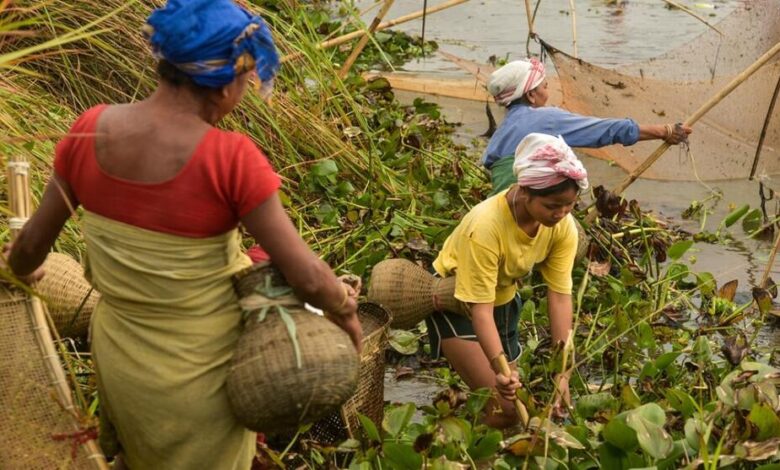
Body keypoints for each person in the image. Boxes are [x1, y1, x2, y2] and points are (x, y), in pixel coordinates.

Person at [4, 1, 361, 468]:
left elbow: (30, 248)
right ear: (226, 81)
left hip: (122, 366)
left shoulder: (89, 130)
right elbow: (308, 277)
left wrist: (16, 270)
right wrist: (345, 308)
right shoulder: (230, 158)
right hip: (201, 377)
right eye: (248, 79)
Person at [426, 133, 587, 428]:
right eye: (552, 205)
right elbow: (480, 311)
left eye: (570, 206)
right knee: (505, 407)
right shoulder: (487, 226)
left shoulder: (564, 227)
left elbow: (560, 296)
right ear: (525, 191)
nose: (561, 214)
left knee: (512, 402)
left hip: (503, 298)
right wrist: (500, 371)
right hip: (456, 302)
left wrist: (562, 373)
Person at [484, 58, 692, 194]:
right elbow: (602, 130)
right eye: (545, 87)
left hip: (499, 207)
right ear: (531, 95)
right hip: (529, 206)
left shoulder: (500, 133)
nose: (548, 92)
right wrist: (664, 131)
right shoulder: (545, 119)